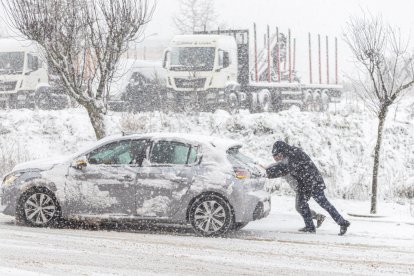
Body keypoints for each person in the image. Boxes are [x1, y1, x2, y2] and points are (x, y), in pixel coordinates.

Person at [265, 141, 350, 235]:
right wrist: (268, 172)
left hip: (314, 183)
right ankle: (310, 226)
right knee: (301, 204)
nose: (277, 158)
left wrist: (269, 173)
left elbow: (285, 169)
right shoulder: (288, 156)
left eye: (277, 155)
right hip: (305, 184)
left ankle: (342, 223)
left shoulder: (294, 154)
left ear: (282, 151)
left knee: (324, 204)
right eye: (274, 156)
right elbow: (283, 168)